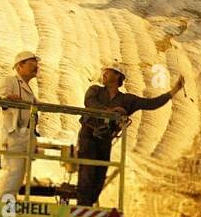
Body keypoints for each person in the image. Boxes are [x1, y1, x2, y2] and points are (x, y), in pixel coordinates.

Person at [76, 64, 183, 206]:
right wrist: (111, 111)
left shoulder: (127, 100)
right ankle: (83, 204)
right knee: (87, 168)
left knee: (101, 171)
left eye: (108, 72)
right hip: (88, 133)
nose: (104, 74)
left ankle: (89, 203)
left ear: (118, 76)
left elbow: (151, 104)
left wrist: (173, 91)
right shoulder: (94, 90)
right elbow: (90, 103)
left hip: (105, 138)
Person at [0, 51, 40, 198]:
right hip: (13, 135)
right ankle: (5, 210)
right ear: (19, 66)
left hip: (24, 136)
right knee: (13, 175)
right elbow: (0, 100)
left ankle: (8, 209)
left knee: (18, 176)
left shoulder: (28, 88)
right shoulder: (10, 81)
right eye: (31, 64)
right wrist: (7, 99)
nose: (35, 67)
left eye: (36, 64)